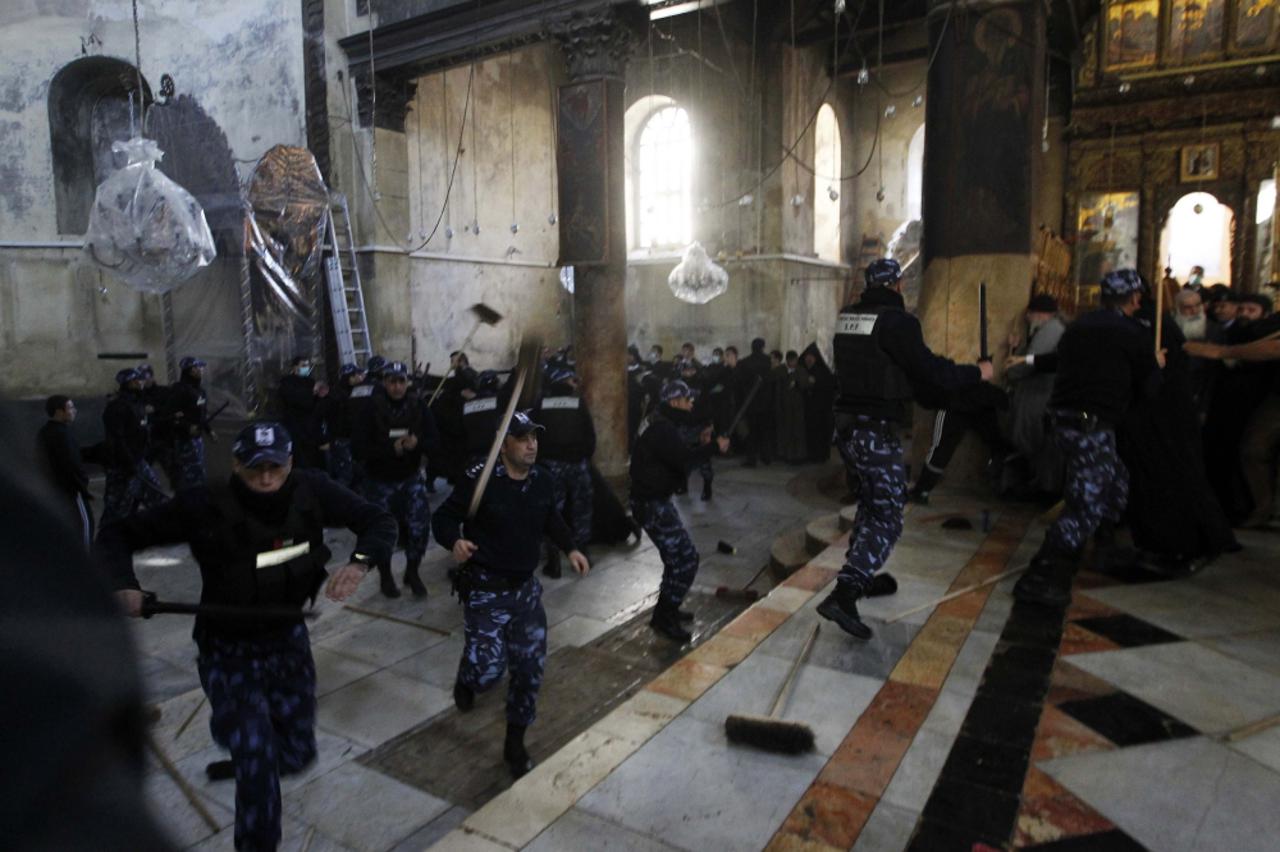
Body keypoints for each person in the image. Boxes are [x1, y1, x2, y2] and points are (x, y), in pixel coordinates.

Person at [97, 422, 396, 852]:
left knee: (297, 753)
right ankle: (254, 797)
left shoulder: (311, 491)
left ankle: (253, 758)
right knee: (256, 756)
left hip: (287, 639)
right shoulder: (204, 504)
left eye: (276, 468)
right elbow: (116, 534)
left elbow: (378, 519)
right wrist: (123, 583)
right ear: (236, 465)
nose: (267, 479)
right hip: (227, 649)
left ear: (291, 463)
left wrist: (360, 562)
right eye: (256, 468)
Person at [822, 258, 991, 639]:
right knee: (888, 515)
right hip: (875, 431)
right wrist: (976, 373)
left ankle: (861, 576)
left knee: (871, 504)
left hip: (847, 430)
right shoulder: (898, 323)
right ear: (898, 285)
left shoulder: (849, 317)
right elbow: (929, 371)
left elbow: (885, 371)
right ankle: (845, 593)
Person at [432, 411, 589, 778]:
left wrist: (571, 548)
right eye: (522, 438)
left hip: (525, 593)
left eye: (534, 437)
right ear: (503, 446)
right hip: (486, 590)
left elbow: (551, 518)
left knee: (529, 668)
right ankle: (469, 674)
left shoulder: (542, 480)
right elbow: (442, 518)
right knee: (488, 673)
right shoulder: (480, 479)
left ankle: (515, 742)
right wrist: (454, 541)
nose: (532, 445)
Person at [1012, 269, 1165, 607]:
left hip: (1064, 423)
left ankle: (1104, 547)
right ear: (1135, 298)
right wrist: (1155, 364)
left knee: (1116, 482)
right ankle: (1043, 575)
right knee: (1085, 505)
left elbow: (1063, 361)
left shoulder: (1078, 327)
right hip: (1091, 428)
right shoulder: (1132, 333)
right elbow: (1150, 387)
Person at [630, 380, 730, 642]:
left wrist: (701, 443)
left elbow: (674, 451)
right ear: (674, 402)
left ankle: (667, 610)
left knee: (676, 558)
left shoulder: (657, 420)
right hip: (652, 504)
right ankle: (665, 617)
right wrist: (713, 447)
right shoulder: (663, 428)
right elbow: (684, 461)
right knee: (686, 560)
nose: (691, 404)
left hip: (651, 500)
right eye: (687, 400)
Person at [354, 361, 441, 598]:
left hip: (410, 478)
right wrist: (389, 449)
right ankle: (385, 576)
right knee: (382, 532)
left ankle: (412, 572)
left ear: (407, 381)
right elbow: (358, 449)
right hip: (379, 481)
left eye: (401, 381)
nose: (397, 387)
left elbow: (435, 441)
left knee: (419, 527)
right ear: (384, 382)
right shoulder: (370, 408)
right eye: (392, 381)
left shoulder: (418, 406)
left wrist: (417, 444)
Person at [535, 369, 597, 576]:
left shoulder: (541, 404)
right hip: (576, 464)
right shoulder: (577, 403)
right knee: (582, 507)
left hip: (550, 465)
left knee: (553, 510)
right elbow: (589, 434)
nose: (574, 383)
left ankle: (553, 560)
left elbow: (535, 433)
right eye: (572, 380)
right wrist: (583, 456)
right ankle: (583, 551)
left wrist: (541, 459)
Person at [1004, 294, 1066, 497]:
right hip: (1035, 395)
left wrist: (1011, 370)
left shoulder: (1050, 331)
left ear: (1039, 314)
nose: (1027, 318)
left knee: (1033, 441)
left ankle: (1039, 488)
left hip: (1038, 396)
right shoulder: (1047, 330)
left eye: (1029, 314)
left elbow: (1029, 363)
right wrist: (1016, 348)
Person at [101, 367, 168, 526]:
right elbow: (117, 439)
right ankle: (108, 536)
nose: (142, 382)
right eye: (138, 380)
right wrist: (128, 463)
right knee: (117, 508)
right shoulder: (117, 407)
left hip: (138, 460)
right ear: (129, 383)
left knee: (156, 497)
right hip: (122, 465)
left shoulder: (137, 404)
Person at [37, 394, 94, 549]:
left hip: (55, 490)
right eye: (70, 407)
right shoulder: (61, 435)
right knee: (85, 524)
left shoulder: (45, 432)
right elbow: (71, 464)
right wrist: (82, 486)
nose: (74, 411)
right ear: (59, 412)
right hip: (71, 490)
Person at [159, 356, 213, 491]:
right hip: (184, 440)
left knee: (198, 473)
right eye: (198, 367)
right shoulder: (180, 390)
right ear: (190, 370)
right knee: (186, 476)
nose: (201, 370)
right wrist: (187, 426)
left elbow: (201, 414)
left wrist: (209, 430)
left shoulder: (200, 391)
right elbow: (168, 415)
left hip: (197, 439)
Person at [277, 355, 327, 469]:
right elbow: (295, 400)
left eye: (308, 365)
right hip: (295, 428)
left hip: (312, 429)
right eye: (303, 365)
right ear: (295, 367)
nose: (307, 368)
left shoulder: (310, 382)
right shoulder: (287, 383)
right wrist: (312, 393)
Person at [326, 363, 364, 487]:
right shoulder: (337, 395)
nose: (358, 377)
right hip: (342, 439)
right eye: (355, 375)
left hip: (352, 438)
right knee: (345, 474)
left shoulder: (355, 391)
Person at [738, 338, 774, 466]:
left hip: (750, 403)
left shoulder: (745, 362)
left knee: (751, 432)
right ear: (762, 347)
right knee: (765, 431)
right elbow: (769, 381)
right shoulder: (767, 361)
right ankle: (766, 457)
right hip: (765, 403)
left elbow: (741, 383)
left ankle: (751, 459)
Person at [774, 350, 812, 464]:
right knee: (786, 431)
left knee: (798, 431)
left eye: (795, 361)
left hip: (797, 406)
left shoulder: (801, 370)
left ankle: (799, 455)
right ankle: (787, 454)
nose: (793, 363)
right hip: (784, 406)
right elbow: (777, 388)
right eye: (791, 361)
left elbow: (806, 384)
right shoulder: (780, 370)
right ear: (787, 361)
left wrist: (798, 382)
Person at [801, 343, 836, 463]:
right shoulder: (803, 370)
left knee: (820, 433)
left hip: (821, 409)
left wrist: (815, 384)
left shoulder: (823, 372)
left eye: (811, 357)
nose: (808, 360)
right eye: (807, 357)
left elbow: (829, 388)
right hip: (808, 409)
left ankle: (820, 456)